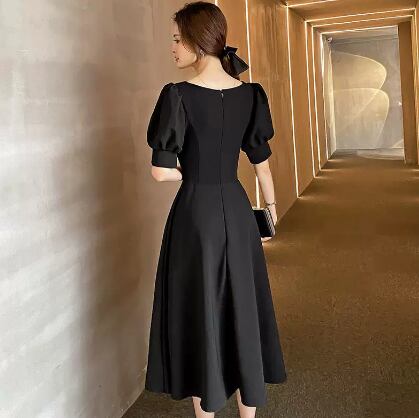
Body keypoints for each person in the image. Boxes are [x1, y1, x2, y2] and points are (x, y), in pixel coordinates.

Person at [144, 2, 287, 417]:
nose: (172, 47)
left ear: (196, 41)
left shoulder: (178, 95)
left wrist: (191, 174)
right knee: (244, 306)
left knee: (201, 308)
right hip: (238, 211)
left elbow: (160, 172)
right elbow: (262, 165)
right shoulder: (251, 94)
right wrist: (270, 212)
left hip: (196, 214)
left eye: (177, 39)